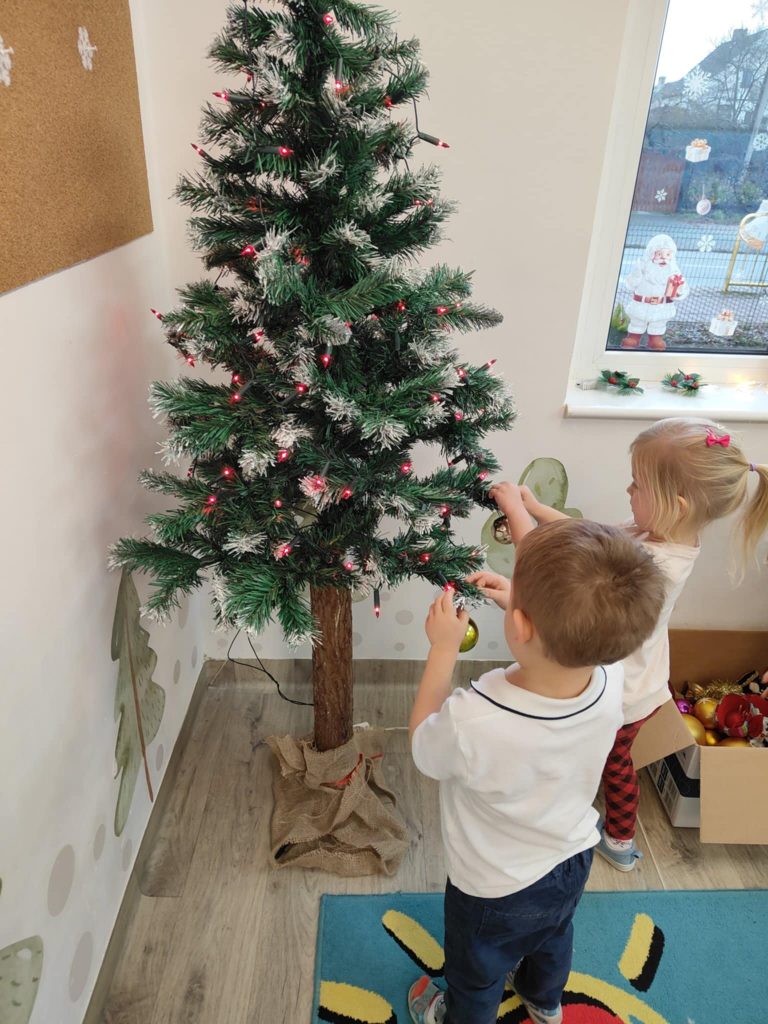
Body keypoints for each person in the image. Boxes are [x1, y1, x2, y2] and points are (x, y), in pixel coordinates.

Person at [407, 519, 666, 1024]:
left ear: (522, 626)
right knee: (552, 939)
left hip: (492, 887)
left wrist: (442, 650)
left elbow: (422, 747)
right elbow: (580, 641)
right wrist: (524, 606)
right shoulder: (611, 677)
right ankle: (545, 1002)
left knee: (476, 972)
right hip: (571, 857)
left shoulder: (475, 718)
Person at [482, 418, 768, 872]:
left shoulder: (655, 562)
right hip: (621, 674)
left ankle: (619, 839)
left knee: (616, 766)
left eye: (637, 485)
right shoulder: (653, 532)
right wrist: (536, 508)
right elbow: (588, 534)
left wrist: (517, 514)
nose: (628, 491)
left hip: (626, 691)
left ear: (674, 505)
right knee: (592, 751)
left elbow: (543, 557)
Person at [620, 233, 689, 351]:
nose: (663, 258)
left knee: (658, 324)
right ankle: (633, 337)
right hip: (641, 304)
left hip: (662, 306)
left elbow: (682, 289)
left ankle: (655, 339)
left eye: (667, 254)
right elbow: (630, 284)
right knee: (637, 323)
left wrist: (679, 291)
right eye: (659, 254)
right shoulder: (643, 268)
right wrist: (637, 274)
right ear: (652, 253)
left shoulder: (673, 271)